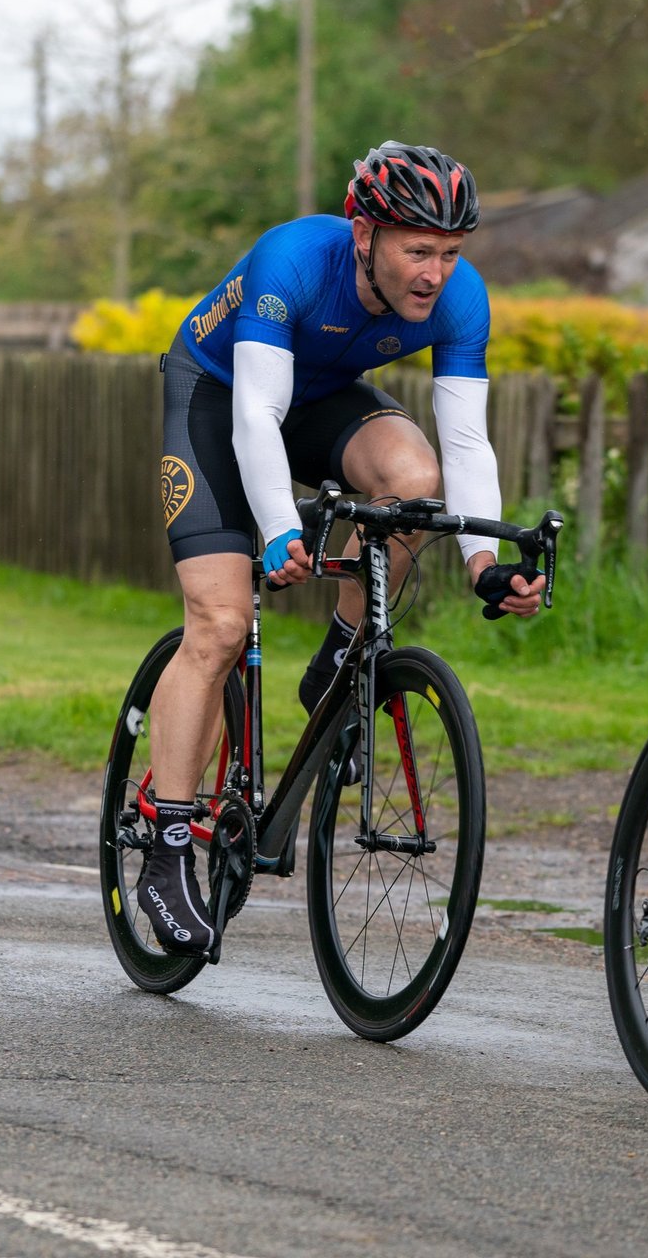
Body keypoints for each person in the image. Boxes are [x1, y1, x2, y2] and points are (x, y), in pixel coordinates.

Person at [141, 140, 547, 953]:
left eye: (451, 252)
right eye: (418, 250)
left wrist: (482, 564)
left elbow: (466, 446)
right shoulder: (292, 259)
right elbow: (256, 416)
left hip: (323, 401)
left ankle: (339, 656)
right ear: (365, 235)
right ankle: (166, 844)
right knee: (219, 624)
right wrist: (281, 530)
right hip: (219, 400)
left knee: (413, 476)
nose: (436, 272)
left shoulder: (462, 301)